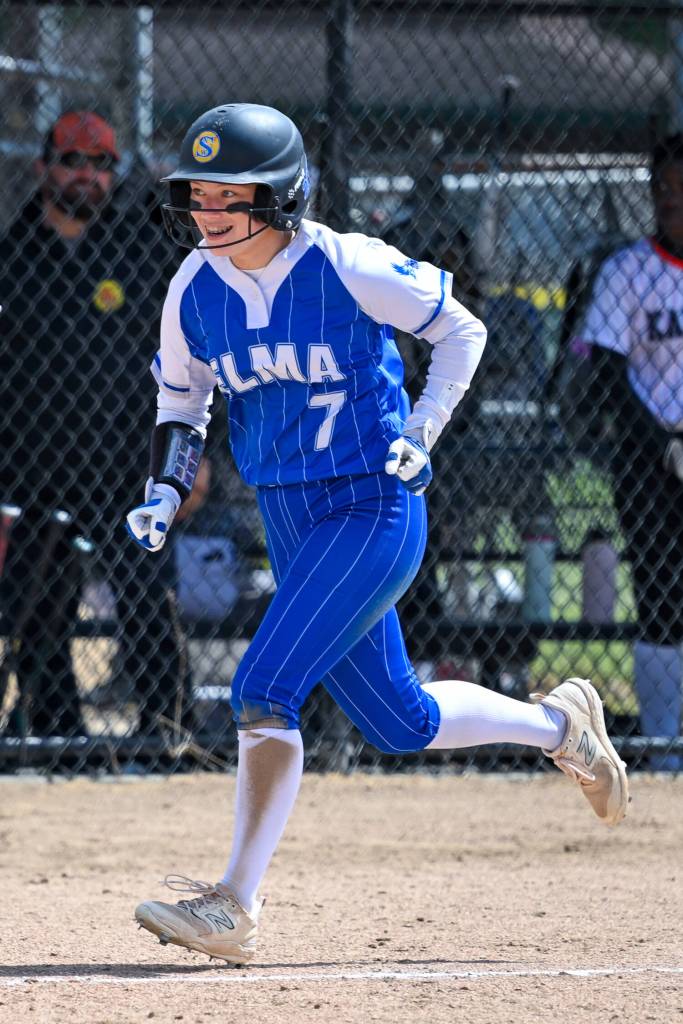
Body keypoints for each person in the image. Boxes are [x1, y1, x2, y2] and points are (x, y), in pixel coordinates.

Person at [127, 103, 629, 964]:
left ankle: (235, 903)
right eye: (196, 194)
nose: (205, 212)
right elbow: (184, 400)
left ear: (280, 196)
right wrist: (165, 489)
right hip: (289, 517)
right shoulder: (192, 287)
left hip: (370, 505)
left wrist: (422, 428)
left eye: (227, 195)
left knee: (263, 686)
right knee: (400, 721)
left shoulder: (344, 262)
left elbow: (460, 329)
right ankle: (559, 726)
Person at [0, 110, 200, 742]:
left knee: (147, 605)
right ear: (43, 166)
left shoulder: (142, 252)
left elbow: (194, 357)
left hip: (127, 464)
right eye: (72, 161)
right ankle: (55, 736)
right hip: (31, 471)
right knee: (37, 615)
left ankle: (170, 735)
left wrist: (193, 456)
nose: (86, 175)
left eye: (101, 164)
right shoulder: (12, 255)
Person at [570, 134, 683, 772]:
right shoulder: (628, 269)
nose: (669, 200)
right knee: (661, 593)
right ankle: (667, 750)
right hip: (647, 453)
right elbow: (609, 370)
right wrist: (663, 443)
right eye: (661, 188)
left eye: (679, 188)